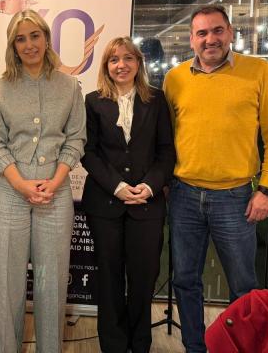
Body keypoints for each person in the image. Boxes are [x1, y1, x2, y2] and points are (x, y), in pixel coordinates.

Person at [163, 4, 268, 353]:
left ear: (230, 33)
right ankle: (195, 348)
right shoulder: (175, 79)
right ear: (192, 39)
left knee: (244, 287)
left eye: (217, 30)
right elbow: (167, 139)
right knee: (185, 281)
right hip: (183, 195)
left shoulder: (259, 72)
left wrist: (266, 190)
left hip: (236, 198)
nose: (210, 39)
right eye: (202, 33)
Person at [0, 9, 86, 353]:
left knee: (50, 281)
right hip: (9, 191)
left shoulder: (69, 86)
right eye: (20, 39)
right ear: (13, 45)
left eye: (35, 36)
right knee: (4, 282)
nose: (29, 44)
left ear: (46, 38)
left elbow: (76, 139)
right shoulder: (1, 88)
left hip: (54, 192)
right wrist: (20, 183)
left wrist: (54, 182)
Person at [81, 37, 175, 353]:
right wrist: (118, 187)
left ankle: (140, 344)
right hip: (105, 204)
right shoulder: (92, 101)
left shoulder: (156, 100)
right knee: (108, 279)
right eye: (113, 59)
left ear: (138, 63)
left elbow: (166, 151)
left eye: (128, 58)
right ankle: (113, 345)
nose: (121, 65)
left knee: (143, 279)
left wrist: (149, 186)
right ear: (106, 66)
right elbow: (88, 152)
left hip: (147, 205)